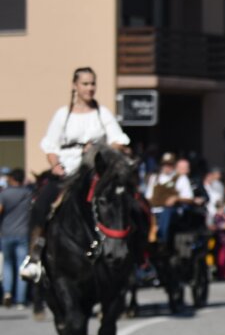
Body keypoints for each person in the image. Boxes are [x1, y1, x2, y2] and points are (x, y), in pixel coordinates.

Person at [21, 66, 130, 282]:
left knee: (119, 201)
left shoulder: (102, 113)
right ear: (75, 86)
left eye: (92, 84)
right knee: (42, 203)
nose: (90, 88)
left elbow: (119, 141)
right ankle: (34, 255)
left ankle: (131, 252)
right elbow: (50, 145)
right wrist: (54, 165)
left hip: (93, 171)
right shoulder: (63, 114)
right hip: (67, 170)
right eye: (85, 84)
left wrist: (100, 148)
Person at [145, 153, 195, 243]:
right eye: (165, 164)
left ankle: (161, 241)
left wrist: (176, 198)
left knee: (166, 212)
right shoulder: (154, 178)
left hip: (172, 211)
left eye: (170, 165)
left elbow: (190, 198)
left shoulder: (180, 178)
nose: (167, 167)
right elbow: (148, 197)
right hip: (154, 210)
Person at [0, 169, 31, 308]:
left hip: (6, 233)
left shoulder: (4, 194)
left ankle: (7, 292)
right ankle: (21, 300)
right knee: (21, 266)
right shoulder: (28, 193)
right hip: (23, 233)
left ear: (12, 178)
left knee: (7, 265)